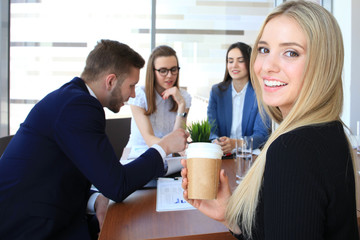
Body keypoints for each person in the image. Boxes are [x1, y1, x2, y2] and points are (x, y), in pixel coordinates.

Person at [181, 1, 359, 239]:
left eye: (291, 52)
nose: (266, 66)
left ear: (322, 64)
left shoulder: (292, 149)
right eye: (264, 50)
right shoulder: (330, 131)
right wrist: (230, 216)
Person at [0, 39, 189, 239]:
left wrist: (95, 199)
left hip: (54, 210)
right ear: (110, 81)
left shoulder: (75, 99)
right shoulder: (79, 107)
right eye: (131, 86)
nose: (133, 94)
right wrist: (164, 146)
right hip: (29, 226)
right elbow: (117, 185)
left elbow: (75, 172)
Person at [126, 45, 191, 154]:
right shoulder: (140, 95)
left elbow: (177, 139)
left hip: (169, 158)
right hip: (139, 154)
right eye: (163, 70)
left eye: (173, 69)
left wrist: (181, 105)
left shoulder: (183, 97)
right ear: (153, 71)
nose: (169, 75)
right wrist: (177, 148)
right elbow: (149, 140)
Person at [207, 42, 269, 154]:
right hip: (221, 153)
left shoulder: (261, 92)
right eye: (230, 61)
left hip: (249, 155)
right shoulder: (217, 91)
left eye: (240, 61)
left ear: (250, 62)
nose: (234, 65)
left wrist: (237, 143)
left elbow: (262, 135)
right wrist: (217, 142)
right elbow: (211, 129)